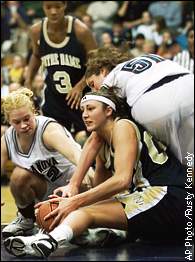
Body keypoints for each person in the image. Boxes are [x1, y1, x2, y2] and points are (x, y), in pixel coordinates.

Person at [4, 89, 187, 258]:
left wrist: (75, 200)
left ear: (108, 111)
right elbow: (101, 184)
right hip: (156, 206)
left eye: (91, 109)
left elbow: (121, 180)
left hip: (168, 195)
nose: (84, 114)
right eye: (83, 110)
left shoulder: (122, 125)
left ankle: (48, 242)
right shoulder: (101, 140)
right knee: (87, 211)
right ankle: (100, 234)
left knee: (85, 212)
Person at [1, 88, 94, 239]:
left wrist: (84, 182)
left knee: (87, 176)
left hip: (74, 186)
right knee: (18, 176)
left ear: (34, 112)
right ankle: (26, 220)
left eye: (27, 118)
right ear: (8, 121)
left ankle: (93, 217)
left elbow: (79, 157)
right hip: (48, 190)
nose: (23, 125)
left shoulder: (48, 131)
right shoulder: (8, 138)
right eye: (17, 122)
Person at [81, 47, 194, 169]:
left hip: (153, 104)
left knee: (184, 164)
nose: (94, 91)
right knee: (191, 156)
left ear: (102, 71)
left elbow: (95, 139)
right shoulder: (149, 56)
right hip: (188, 87)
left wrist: (74, 183)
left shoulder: (110, 79)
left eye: (92, 85)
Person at [25, 1, 97, 139]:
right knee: (54, 141)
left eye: (57, 7)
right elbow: (36, 55)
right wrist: (28, 80)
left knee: (89, 140)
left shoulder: (81, 31)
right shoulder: (36, 31)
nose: (53, 11)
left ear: (64, 5)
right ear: (43, 7)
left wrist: (80, 86)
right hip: (54, 98)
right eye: (48, 7)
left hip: (80, 97)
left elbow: (96, 63)